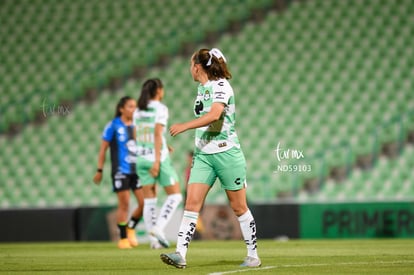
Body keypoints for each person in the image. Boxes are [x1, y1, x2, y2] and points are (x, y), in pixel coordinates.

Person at [160, 48, 261, 268]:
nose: (190, 69)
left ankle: (253, 256)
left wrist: (185, 125)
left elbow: (215, 115)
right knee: (191, 204)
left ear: (197, 66)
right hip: (204, 155)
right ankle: (180, 254)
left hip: (227, 154)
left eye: (190, 64)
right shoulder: (202, 88)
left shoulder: (222, 86)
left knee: (239, 207)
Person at [134, 78, 183, 249]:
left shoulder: (138, 111)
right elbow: (156, 133)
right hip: (158, 159)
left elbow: (138, 134)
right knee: (176, 195)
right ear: (159, 91)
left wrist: (163, 143)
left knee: (149, 201)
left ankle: (154, 242)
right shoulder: (160, 109)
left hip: (140, 158)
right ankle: (158, 228)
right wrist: (156, 160)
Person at [93, 96, 144, 249]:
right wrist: (99, 170)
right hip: (121, 170)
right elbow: (103, 149)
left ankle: (131, 228)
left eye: (135, 106)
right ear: (121, 109)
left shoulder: (138, 125)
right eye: (130, 106)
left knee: (144, 203)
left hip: (138, 170)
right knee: (124, 204)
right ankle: (122, 238)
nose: (133, 109)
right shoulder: (113, 125)